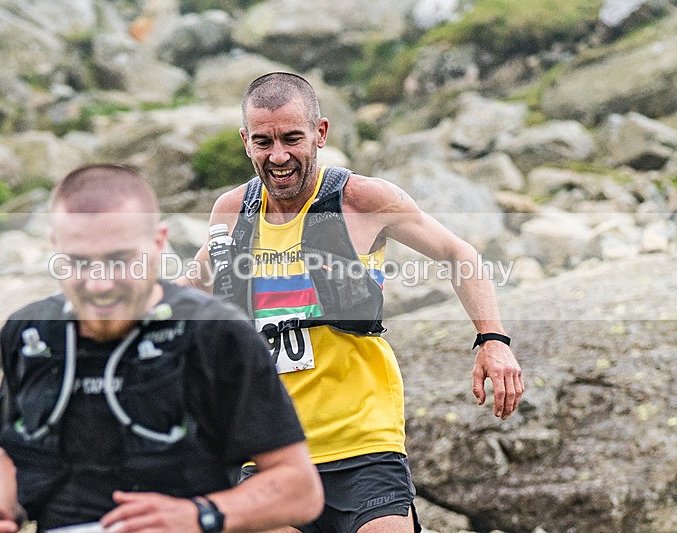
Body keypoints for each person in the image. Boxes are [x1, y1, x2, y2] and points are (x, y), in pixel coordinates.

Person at [183, 73, 525, 533]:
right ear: (245, 141)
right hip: (269, 449)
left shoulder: (361, 200)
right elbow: (190, 290)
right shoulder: (232, 211)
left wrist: (493, 340)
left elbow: (458, 254)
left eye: (292, 138)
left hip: (363, 444)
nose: (278, 156)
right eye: (263, 141)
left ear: (320, 133)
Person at [0, 164, 324, 533]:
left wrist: (199, 515)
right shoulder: (29, 334)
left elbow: (300, 489)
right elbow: (14, 449)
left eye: (118, 260)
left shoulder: (215, 334)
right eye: (78, 262)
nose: (99, 284)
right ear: (55, 247)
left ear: (158, 242)